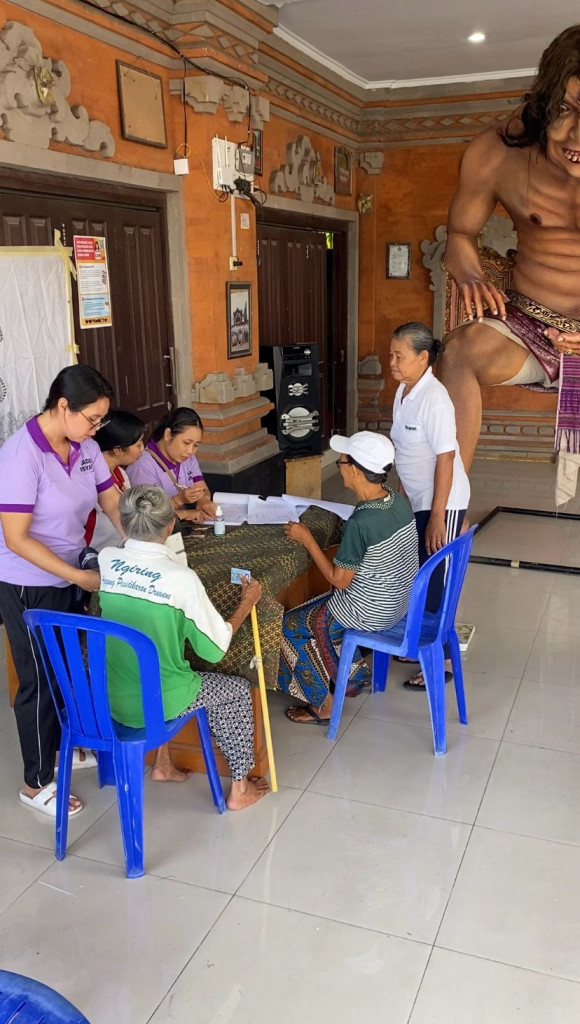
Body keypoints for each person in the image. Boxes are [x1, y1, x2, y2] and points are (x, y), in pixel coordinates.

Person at [440, 26, 580, 501]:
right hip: (530, 322)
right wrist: (471, 274)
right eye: (566, 109)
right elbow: (460, 236)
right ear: (544, 101)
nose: (576, 135)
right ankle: (447, 504)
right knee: (459, 351)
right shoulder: (498, 151)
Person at [98, 485, 269, 810]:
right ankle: (240, 787)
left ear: (124, 520)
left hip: (109, 698)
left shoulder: (108, 560)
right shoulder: (181, 578)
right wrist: (247, 602)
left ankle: (163, 763)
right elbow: (215, 650)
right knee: (234, 690)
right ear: (170, 526)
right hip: (157, 702)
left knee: (162, 665)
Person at [0, 364, 121, 817]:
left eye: (101, 421)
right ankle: (35, 783)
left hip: (68, 570)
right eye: (92, 418)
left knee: (67, 666)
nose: (95, 429)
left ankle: (58, 748)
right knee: (38, 679)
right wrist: (81, 578)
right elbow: (16, 538)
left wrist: (137, 542)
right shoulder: (20, 456)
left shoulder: (84, 447)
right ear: (63, 406)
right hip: (28, 580)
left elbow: (110, 499)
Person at [279, 432, 418, 724]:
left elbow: (339, 580)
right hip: (399, 603)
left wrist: (307, 539)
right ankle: (350, 670)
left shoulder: (361, 521)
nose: (339, 465)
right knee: (314, 606)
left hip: (371, 612)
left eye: (341, 461)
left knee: (289, 625)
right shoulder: (397, 500)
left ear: (354, 470)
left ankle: (324, 703)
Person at [390, 322, 470, 691]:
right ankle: (419, 642)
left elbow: (445, 458)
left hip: (443, 501)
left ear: (423, 358)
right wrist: (404, 490)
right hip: (419, 497)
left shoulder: (435, 398)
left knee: (438, 581)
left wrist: (438, 515)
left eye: (399, 356)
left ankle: (443, 662)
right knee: (420, 574)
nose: (392, 362)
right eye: (391, 355)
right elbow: (406, 449)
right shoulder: (405, 390)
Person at [128, 407, 217, 523]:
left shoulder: (188, 458)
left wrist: (203, 501)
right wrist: (179, 500)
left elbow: (202, 488)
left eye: (196, 445)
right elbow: (146, 515)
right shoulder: (142, 466)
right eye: (186, 443)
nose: (190, 451)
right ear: (168, 434)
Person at [85, 409, 145, 550]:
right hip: (96, 550)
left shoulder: (120, 474)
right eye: (138, 444)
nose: (142, 448)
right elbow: (114, 507)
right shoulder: (90, 478)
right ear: (118, 450)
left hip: (119, 547)